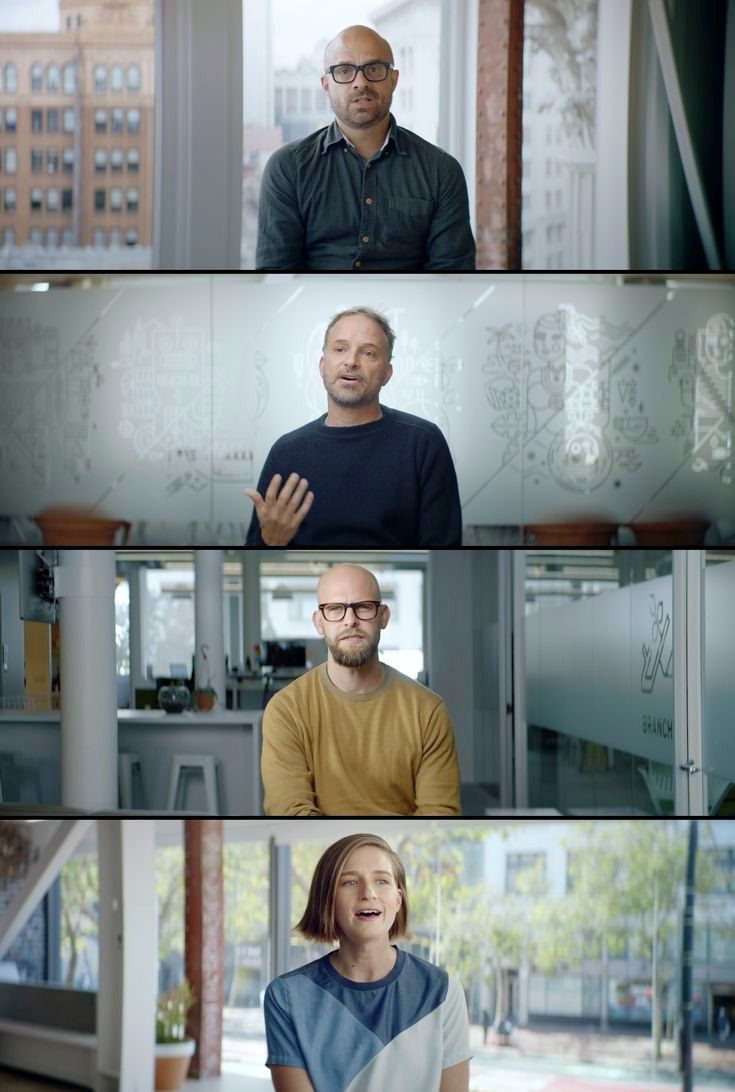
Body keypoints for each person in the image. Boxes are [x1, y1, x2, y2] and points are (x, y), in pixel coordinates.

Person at [256, 24, 476, 271]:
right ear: (326, 84)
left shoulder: (441, 171)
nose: (360, 82)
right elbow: (276, 273)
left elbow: (452, 274)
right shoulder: (288, 167)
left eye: (373, 68)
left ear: (393, 80)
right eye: (344, 70)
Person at [264, 833, 471, 1091]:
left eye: (381, 881)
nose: (368, 893)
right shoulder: (286, 997)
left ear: (398, 899)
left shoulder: (443, 991)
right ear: (326, 901)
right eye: (350, 882)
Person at [244, 306, 462, 547]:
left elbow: (445, 544)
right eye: (340, 349)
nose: (351, 361)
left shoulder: (423, 443)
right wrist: (272, 541)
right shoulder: (286, 452)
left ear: (387, 373)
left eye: (368, 353)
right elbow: (256, 546)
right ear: (322, 365)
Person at [260, 563, 461, 815]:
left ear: (383, 616)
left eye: (363, 607)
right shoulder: (285, 710)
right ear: (319, 622)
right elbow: (290, 812)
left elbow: (438, 814)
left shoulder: (428, 711)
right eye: (335, 609)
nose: (350, 620)